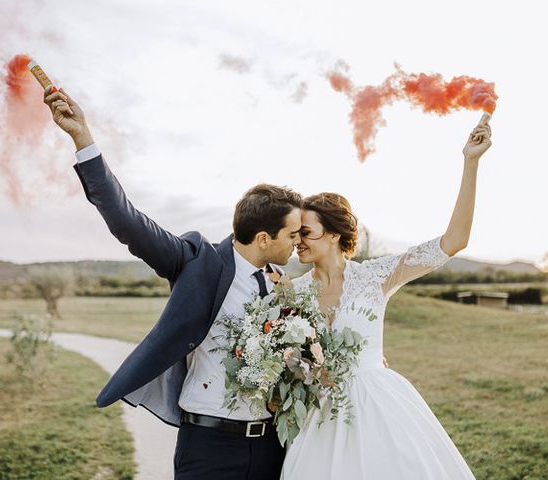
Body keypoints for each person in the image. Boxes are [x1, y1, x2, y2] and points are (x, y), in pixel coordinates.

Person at [43, 86, 302, 479]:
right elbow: (127, 220)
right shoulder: (197, 261)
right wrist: (83, 139)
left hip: (272, 446)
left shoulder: (282, 281)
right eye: (292, 234)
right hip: (209, 447)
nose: (298, 242)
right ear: (264, 238)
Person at [282, 120, 491, 479]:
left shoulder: (376, 276)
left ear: (333, 235)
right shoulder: (290, 291)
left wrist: (470, 162)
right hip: (318, 421)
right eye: (295, 233)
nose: (297, 240)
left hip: (380, 410)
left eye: (306, 233)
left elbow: (454, 241)